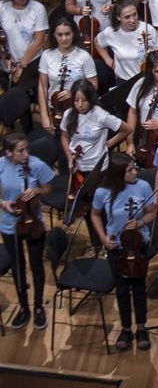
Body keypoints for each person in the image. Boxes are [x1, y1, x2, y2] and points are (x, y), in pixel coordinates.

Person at [90, 153, 155, 351]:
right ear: (118, 174)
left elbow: (152, 212)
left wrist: (140, 222)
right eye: (130, 170)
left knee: (139, 287)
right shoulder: (102, 192)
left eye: (135, 168)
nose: (135, 172)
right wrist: (103, 238)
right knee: (122, 289)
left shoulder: (143, 186)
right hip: (117, 247)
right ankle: (126, 328)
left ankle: (141, 327)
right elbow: (95, 214)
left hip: (138, 244)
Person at [0, 132, 53, 331]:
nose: (26, 154)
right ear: (8, 153)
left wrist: (37, 191)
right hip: (10, 225)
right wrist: (2, 203)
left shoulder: (36, 164)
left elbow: (48, 188)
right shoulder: (1, 165)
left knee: (36, 265)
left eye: (26, 149)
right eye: (20, 151)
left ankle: (38, 306)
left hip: (34, 224)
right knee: (18, 267)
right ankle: (24, 307)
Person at [44, 25, 103, 142]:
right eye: (60, 35)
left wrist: (74, 93)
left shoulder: (84, 56)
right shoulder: (47, 55)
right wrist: (44, 115)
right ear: (54, 35)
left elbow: (93, 84)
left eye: (67, 34)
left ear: (74, 34)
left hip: (78, 108)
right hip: (55, 108)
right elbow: (42, 86)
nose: (64, 38)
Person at [96, 0, 158, 82]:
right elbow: (97, 42)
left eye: (134, 14)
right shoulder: (111, 32)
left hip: (148, 79)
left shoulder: (148, 28)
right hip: (125, 81)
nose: (132, 20)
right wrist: (109, 61)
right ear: (118, 17)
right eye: (127, 17)